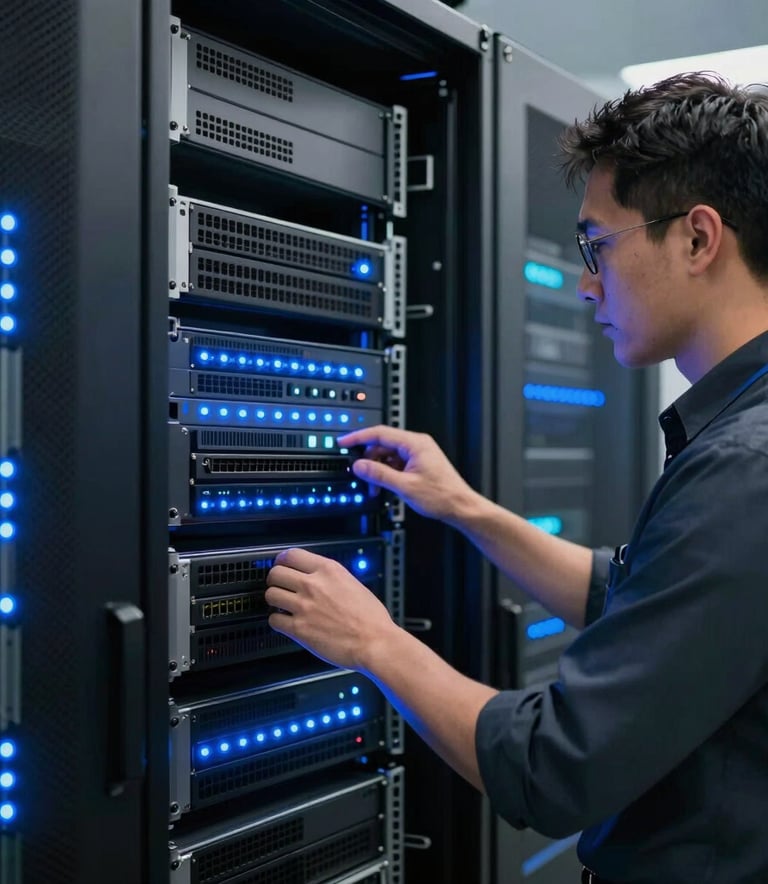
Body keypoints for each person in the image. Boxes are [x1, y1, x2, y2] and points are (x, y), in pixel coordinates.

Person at [265, 73, 768, 883]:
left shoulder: (746, 468)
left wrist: (375, 643)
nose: (586, 282)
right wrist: (464, 509)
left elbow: (554, 767)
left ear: (698, 239)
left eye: (598, 246)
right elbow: (646, 599)